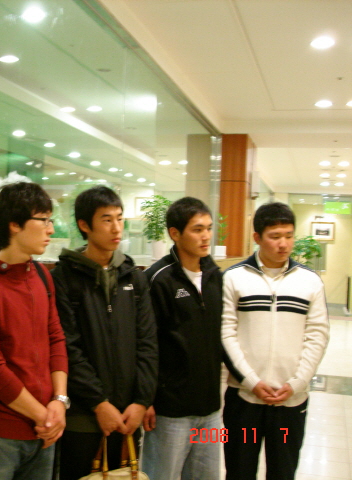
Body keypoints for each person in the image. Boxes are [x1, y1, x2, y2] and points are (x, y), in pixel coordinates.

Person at [0, 181, 69, 480]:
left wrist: (59, 401)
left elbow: (56, 338)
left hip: (43, 432)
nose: (50, 229)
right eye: (43, 220)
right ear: (14, 225)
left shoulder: (42, 275)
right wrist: (45, 416)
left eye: (51, 220)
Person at [50, 185, 158, 480]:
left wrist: (142, 401)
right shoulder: (64, 278)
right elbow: (67, 346)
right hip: (83, 418)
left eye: (120, 219)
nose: (116, 228)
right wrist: (98, 403)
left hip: (128, 416)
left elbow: (148, 342)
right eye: (107, 220)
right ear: (85, 225)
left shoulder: (134, 277)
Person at [222, 202, 330, 480]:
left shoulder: (309, 281)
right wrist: (250, 381)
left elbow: (318, 335)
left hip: (289, 403)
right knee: (239, 471)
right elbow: (226, 333)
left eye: (289, 235)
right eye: (275, 236)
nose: (284, 244)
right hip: (244, 400)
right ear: (257, 237)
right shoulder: (234, 278)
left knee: (283, 472)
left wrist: (297, 383)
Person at [141, 197, 223, 480]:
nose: (206, 236)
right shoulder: (158, 279)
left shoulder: (214, 276)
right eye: (197, 229)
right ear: (175, 233)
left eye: (208, 228)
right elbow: (146, 344)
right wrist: (146, 399)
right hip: (170, 411)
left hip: (210, 408)